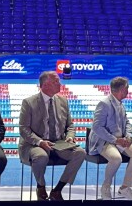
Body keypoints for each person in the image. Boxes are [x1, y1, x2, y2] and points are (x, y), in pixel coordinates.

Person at [19, 71, 86, 201]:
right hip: (35, 143)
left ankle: (57, 190)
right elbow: (24, 129)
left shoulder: (63, 100)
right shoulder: (29, 102)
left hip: (59, 143)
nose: (60, 83)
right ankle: (41, 186)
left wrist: (70, 136)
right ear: (45, 85)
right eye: (56, 81)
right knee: (41, 156)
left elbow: (70, 125)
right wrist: (40, 142)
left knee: (80, 153)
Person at [88, 76, 132, 200]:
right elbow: (97, 127)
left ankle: (125, 187)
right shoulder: (104, 104)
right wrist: (114, 140)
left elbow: (127, 123)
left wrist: (128, 136)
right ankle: (106, 187)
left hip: (120, 140)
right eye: (127, 88)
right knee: (116, 159)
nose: (128, 90)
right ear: (121, 89)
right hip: (105, 141)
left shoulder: (120, 104)